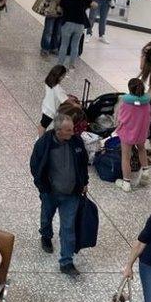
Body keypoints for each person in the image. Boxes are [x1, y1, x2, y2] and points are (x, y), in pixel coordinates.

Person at [30, 113, 89, 277]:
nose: (72, 132)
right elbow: (35, 165)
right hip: (51, 193)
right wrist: (42, 187)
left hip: (72, 194)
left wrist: (84, 182)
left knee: (68, 227)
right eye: (68, 130)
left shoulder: (76, 142)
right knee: (46, 217)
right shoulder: (43, 144)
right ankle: (46, 235)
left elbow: (83, 163)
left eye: (72, 129)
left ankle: (66, 262)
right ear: (58, 131)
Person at [114, 78, 151, 193]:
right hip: (141, 131)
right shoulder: (147, 101)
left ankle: (126, 183)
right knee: (142, 149)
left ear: (130, 89)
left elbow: (121, 118)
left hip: (127, 133)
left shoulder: (126, 102)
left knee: (126, 157)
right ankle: (145, 171)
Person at [56, 0, 94, 70]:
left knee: (64, 45)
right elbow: (94, 5)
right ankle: (71, 65)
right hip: (80, 25)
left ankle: (60, 64)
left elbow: (59, 9)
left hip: (67, 23)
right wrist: (86, 7)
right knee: (75, 46)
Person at [40, 64, 77, 135]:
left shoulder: (49, 82)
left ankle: (41, 136)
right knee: (43, 126)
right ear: (60, 76)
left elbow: (58, 95)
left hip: (46, 106)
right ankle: (41, 140)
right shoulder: (57, 88)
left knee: (43, 123)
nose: (63, 78)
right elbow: (65, 100)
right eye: (63, 76)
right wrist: (74, 104)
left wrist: (67, 96)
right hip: (51, 110)